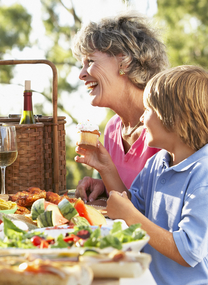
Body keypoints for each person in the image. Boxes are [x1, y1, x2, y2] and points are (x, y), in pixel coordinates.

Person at [75, 65, 208, 285]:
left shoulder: (205, 178)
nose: (142, 119)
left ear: (175, 119)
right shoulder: (160, 162)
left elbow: (187, 251)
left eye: (148, 111)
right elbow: (132, 204)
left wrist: (130, 215)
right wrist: (106, 168)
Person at [71, 12, 168, 202]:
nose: (81, 74)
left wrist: (108, 176)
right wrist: (105, 187)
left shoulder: (168, 125)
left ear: (124, 61)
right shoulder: (113, 128)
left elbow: (163, 215)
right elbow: (129, 197)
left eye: (90, 61)